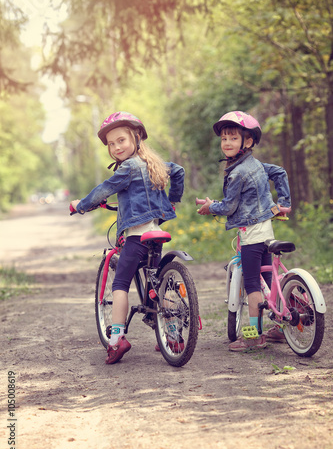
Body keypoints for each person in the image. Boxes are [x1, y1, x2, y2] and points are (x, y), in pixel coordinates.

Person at [70, 111, 185, 364]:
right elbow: (179, 173)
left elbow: (104, 190)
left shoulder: (129, 167)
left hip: (136, 237)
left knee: (120, 284)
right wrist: (172, 202)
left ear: (136, 138)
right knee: (159, 282)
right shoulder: (152, 162)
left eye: (121, 140)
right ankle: (172, 335)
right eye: (111, 144)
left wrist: (81, 205)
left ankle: (117, 339)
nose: (116, 147)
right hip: (156, 233)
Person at [197, 110, 291, 352]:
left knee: (252, 284)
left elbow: (229, 207)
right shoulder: (255, 164)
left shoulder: (237, 172)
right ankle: (280, 327)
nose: (227, 143)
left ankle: (253, 335)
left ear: (247, 142)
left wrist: (211, 207)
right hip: (266, 230)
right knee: (269, 280)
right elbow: (279, 172)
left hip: (251, 234)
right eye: (224, 139)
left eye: (233, 138)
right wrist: (285, 203)